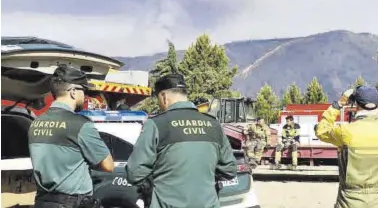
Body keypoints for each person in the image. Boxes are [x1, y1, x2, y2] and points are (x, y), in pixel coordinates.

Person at [125, 73, 237, 208]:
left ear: (164, 97)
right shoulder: (213, 125)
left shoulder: (156, 124)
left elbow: (134, 173)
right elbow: (230, 170)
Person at [28, 64, 114, 208]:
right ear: (73, 91)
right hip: (71, 203)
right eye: (83, 90)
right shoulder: (80, 124)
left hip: (42, 202)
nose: (85, 95)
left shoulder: (35, 123)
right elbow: (108, 165)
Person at [314, 85, 378, 208]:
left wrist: (338, 104)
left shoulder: (346, 131)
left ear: (356, 105)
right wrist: (377, 105)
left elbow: (321, 130)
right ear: (377, 104)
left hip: (350, 201)